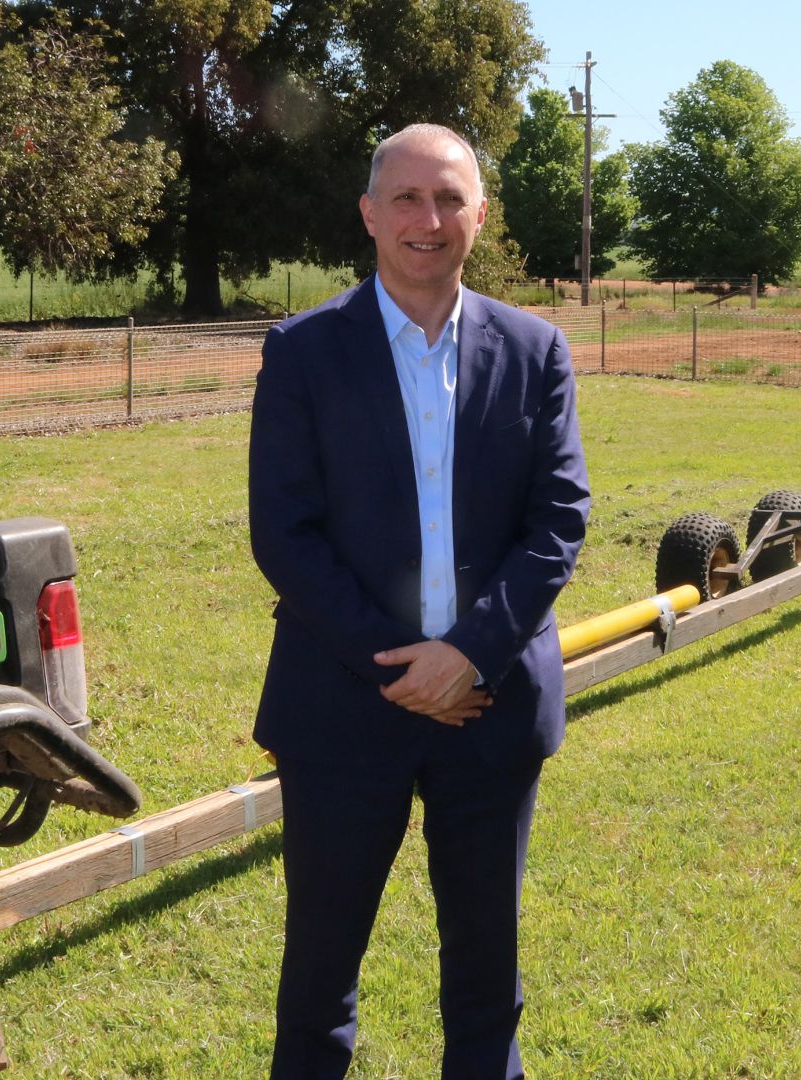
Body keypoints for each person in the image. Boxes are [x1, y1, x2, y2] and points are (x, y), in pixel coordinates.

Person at [248, 123, 590, 1079]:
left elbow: (559, 517)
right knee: (319, 978)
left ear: (480, 214)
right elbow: (286, 533)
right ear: (368, 212)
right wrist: (401, 667)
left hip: (491, 717)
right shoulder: (303, 352)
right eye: (406, 198)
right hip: (344, 713)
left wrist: (469, 655)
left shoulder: (535, 351)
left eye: (449, 199)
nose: (427, 219)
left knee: (488, 979)